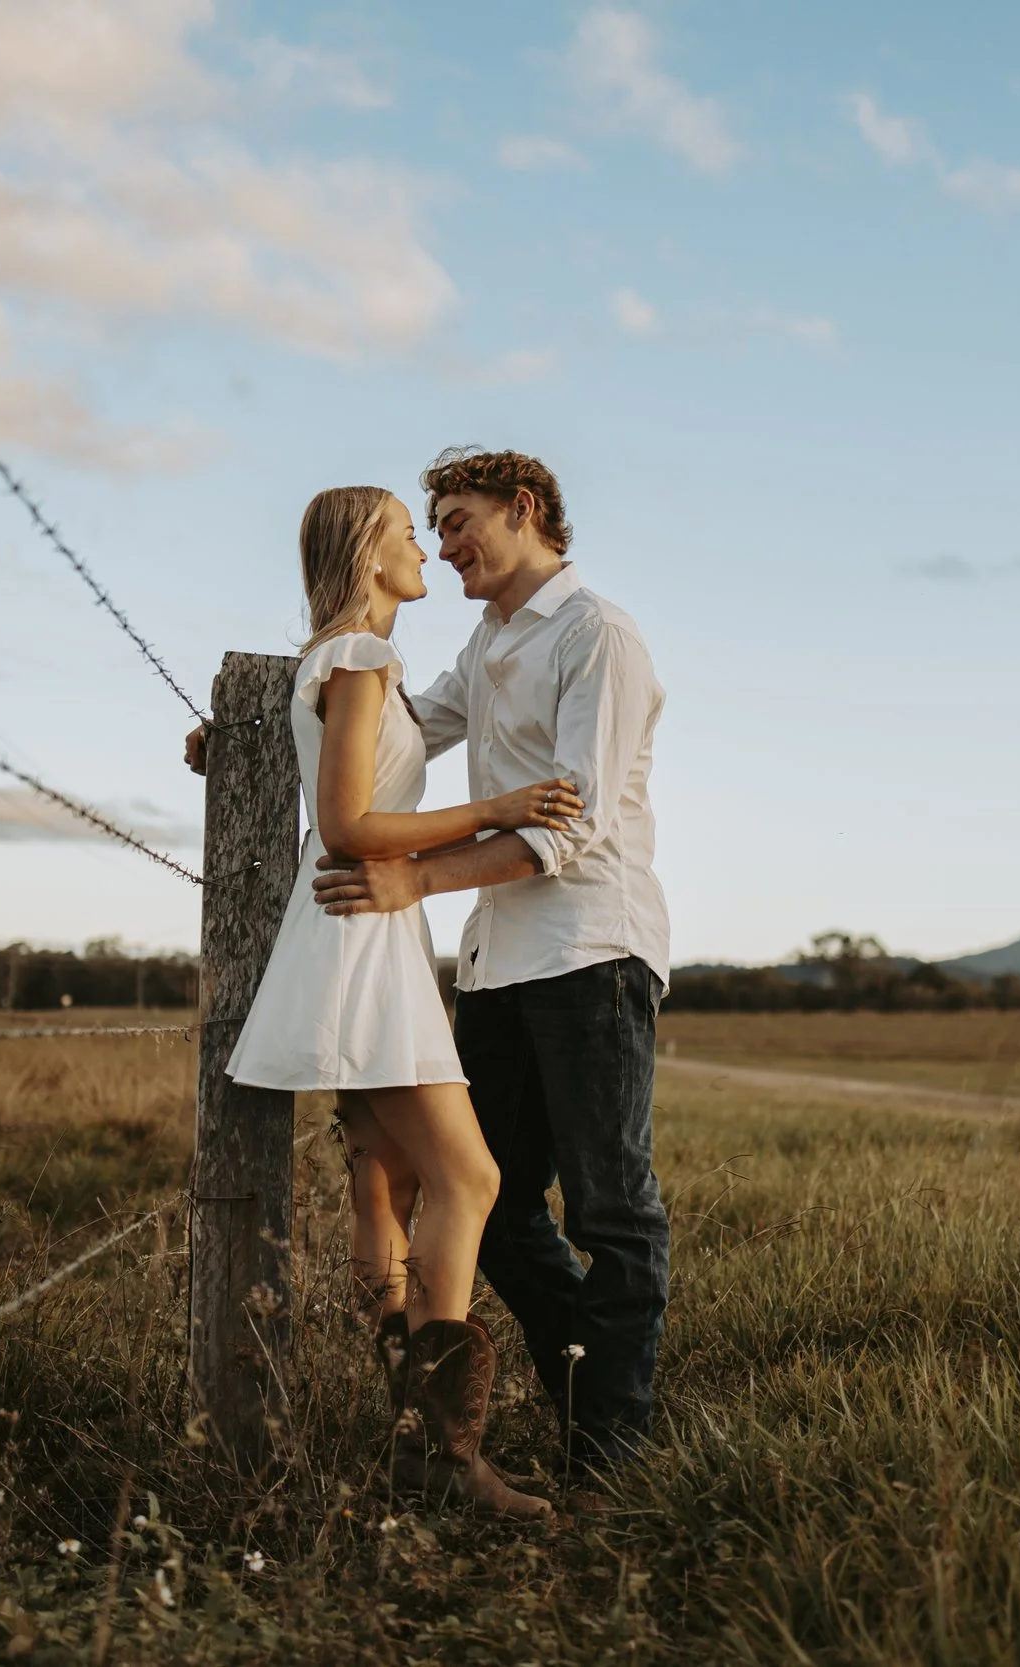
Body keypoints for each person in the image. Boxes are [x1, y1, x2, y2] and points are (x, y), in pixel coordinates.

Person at [197, 484, 577, 1519]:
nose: (426, 549)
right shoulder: (361, 660)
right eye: (412, 534)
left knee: (387, 1187)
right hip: (361, 933)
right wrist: (496, 808)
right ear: (371, 553)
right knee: (470, 1175)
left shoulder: (339, 662)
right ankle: (442, 1456)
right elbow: (352, 823)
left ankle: (417, 1441)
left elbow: (338, 791)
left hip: (358, 934)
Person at [312, 447, 670, 1481]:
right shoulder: (491, 637)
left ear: (525, 510)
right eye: (434, 525)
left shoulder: (596, 633)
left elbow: (578, 825)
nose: (445, 543)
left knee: (611, 1210)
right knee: (495, 1200)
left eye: (459, 519)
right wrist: (268, 724)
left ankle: (610, 1460)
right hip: (499, 961)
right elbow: (399, 723)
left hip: (590, 949)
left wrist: (413, 880)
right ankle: (597, 1396)